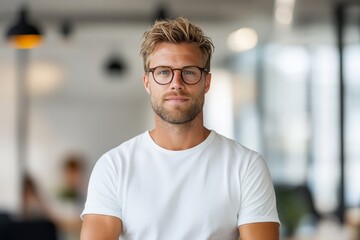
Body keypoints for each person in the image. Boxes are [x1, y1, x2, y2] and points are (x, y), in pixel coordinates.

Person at [80, 17, 280, 240]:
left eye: (189, 72)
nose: (176, 83)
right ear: (147, 82)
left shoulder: (246, 167)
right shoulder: (114, 167)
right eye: (164, 72)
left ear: (206, 82)